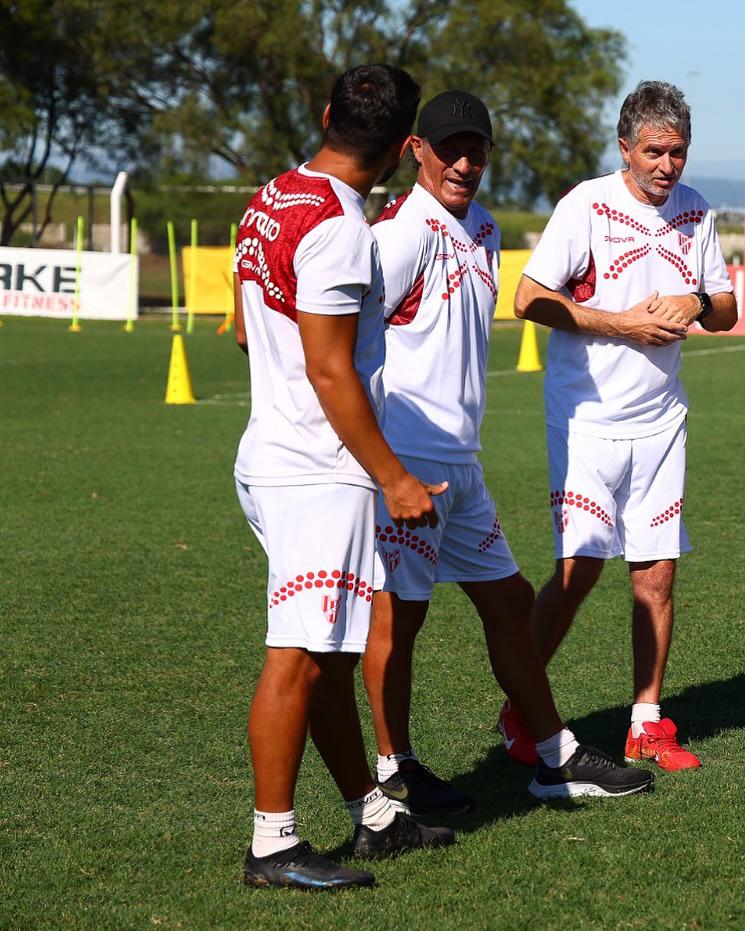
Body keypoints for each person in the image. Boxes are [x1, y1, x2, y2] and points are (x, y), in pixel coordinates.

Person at [362, 89, 653, 813]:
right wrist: (379, 460)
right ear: (415, 151)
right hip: (407, 460)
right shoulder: (400, 232)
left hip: (460, 462)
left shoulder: (484, 227)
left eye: (476, 149)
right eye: (449, 148)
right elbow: (349, 331)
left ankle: (550, 755)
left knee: (511, 599)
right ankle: (393, 767)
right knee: (399, 616)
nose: (464, 162)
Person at [233, 64, 456, 892]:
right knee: (295, 656)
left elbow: (246, 334)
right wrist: (393, 476)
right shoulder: (339, 226)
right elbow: (331, 371)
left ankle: (372, 812)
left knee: (324, 652)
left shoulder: (271, 195)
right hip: (314, 475)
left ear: (324, 114)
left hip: (270, 452)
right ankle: (272, 844)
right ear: (405, 148)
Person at [512, 80, 737, 772]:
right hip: (585, 418)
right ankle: (518, 711)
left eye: (677, 152)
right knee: (577, 572)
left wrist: (694, 298)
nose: (667, 165)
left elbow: (724, 309)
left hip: (661, 419)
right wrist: (621, 323)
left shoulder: (695, 212)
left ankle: (646, 720)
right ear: (623, 148)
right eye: (653, 151)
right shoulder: (585, 204)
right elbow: (528, 297)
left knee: (656, 576)